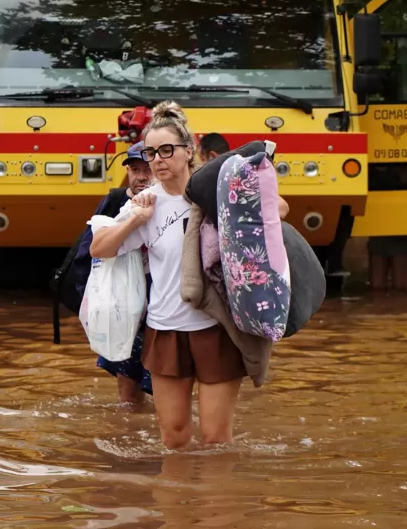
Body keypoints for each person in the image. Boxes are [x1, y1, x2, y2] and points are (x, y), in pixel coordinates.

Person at [90, 101, 288, 450]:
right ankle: (178, 504)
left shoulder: (213, 190)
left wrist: (231, 208)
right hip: (165, 330)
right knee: (174, 439)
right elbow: (100, 248)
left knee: (216, 440)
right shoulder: (144, 202)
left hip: (216, 328)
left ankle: (214, 503)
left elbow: (279, 208)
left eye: (167, 150)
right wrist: (136, 221)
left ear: (188, 150)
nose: (158, 159)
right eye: (151, 152)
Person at [69, 142, 155, 405]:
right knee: (128, 395)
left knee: (167, 390)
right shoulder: (116, 201)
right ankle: (131, 434)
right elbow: (89, 253)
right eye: (135, 169)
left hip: (162, 309)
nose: (141, 176)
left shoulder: (175, 203)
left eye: (147, 169)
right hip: (125, 309)